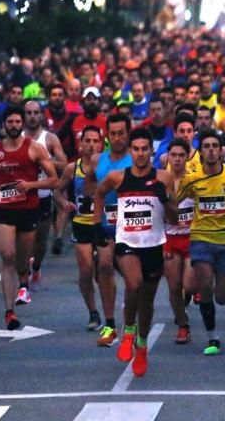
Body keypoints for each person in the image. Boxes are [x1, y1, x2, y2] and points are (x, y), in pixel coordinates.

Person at [92, 127, 177, 378]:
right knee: (134, 283)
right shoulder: (118, 177)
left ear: (152, 151)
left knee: (147, 301)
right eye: (136, 149)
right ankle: (128, 331)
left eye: (145, 149)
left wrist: (166, 200)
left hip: (153, 243)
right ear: (131, 151)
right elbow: (98, 194)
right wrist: (97, 224)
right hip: (127, 242)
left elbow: (173, 217)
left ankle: (141, 345)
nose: (140, 154)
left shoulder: (164, 177)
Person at [0, 105, 59, 329]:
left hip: (28, 209)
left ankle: (25, 278)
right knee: (8, 256)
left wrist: (30, 185)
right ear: (4, 124)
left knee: (22, 260)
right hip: (3, 211)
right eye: (10, 122)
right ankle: (9, 312)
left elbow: (54, 180)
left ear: (22, 123)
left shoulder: (35, 149)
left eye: (17, 122)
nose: (14, 126)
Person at [177, 130, 225, 356]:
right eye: (206, 146)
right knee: (204, 284)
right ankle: (212, 336)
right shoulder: (191, 178)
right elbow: (172, 201)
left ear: (221, 150)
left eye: (215, 146)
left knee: (222, 297)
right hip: (201, 238)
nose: (210, 150)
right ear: (201, 150)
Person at [52, 125, 104, 331]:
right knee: (85, 270)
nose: (91, 145)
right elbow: (57, 190)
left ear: (100, 144)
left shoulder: (107, 167)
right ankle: (93, 312)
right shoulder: (72, 169)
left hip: (103, 225)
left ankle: (109, 308)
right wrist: (63, 203)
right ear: (80, 144)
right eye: (87, 141)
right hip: (82, 224)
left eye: (95, 141)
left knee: (103, 271)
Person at [91, 113, 133, 347]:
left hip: (133, 224)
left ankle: (130, 321)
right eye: (113, 133)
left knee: (132, 276)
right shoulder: (98, 160)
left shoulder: (136, 158)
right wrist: (95, 222)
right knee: (104, 266)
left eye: (121, 133)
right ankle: (109, 324)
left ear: (128, 133)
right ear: (107, 135)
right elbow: (91, 185)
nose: (117, 138)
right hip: (107, 222)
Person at [23, 100, 68, 279]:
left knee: (41, 241)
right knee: (25, 238)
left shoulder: (50, 138)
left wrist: (43, 161)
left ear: (41, 115)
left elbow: (64, 163)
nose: (33, 117)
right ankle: (23, 271)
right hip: (23, 196)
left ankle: (37, 266)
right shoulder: (16, 137)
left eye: (36, 113)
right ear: (24, 115)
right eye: (29, 113)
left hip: (43, 196)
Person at [163, 139, 198, 344]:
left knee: (189, 285)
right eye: (173, 155)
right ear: (168, 157)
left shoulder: (194, 181)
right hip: (169, 238)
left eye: (181, 155)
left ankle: (189, 297)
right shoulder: (161, 181)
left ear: (187, 157)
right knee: (174, 286)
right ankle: (183, 326)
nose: (176, 159)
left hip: (191, 237)